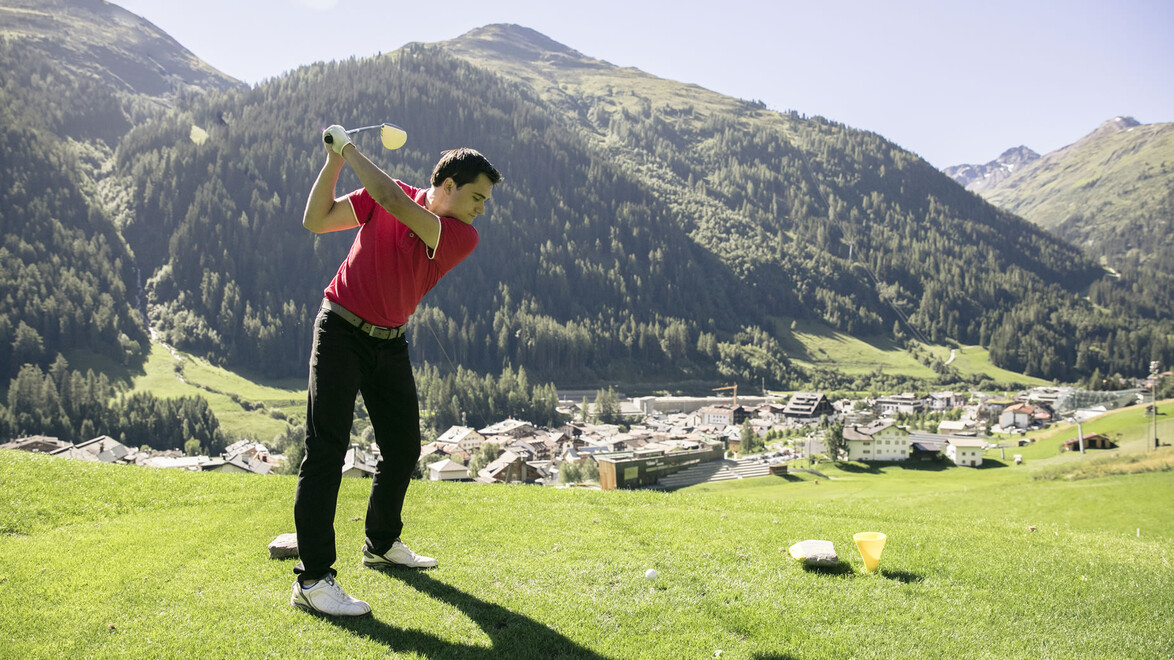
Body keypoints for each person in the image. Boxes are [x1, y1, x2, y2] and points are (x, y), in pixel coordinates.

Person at [290, 124, 502, 617]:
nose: (481, 209)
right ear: (447, 186)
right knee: (325, 452)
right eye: (476, 196)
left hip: (388, 344)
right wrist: (334, 164)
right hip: (340, 330)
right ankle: (313, 579)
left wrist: (349, 148)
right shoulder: (388, 196)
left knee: (404, 447)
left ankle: (381, 543)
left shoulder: (458, 235)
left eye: (485, 201)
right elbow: (315, 220)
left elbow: (390, 198)